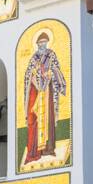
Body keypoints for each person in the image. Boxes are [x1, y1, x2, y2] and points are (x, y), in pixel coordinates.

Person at [23, 30, 66, 164]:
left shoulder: (51, 54)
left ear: (47, 42)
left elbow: (57, 69)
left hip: (47, 91)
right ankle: (36, 150)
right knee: (35, 118)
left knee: (48, 118)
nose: (42, 44)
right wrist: (34, 74)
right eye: (40, 42)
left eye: (44, 42)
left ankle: (49, 148)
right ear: (37, 44)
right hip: (36, 92)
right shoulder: (34, 57)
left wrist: (50, 73)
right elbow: (27, 74)